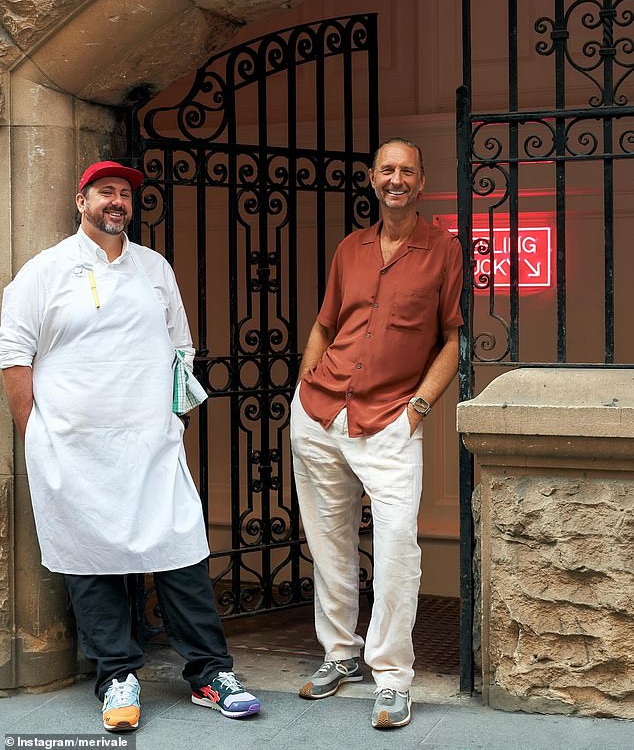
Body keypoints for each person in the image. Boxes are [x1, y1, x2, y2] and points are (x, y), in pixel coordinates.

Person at [0, 161, 260, 732]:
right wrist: (36, 435)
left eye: (124, 194)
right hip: (73, 449)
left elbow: (179, 349)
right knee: (90, 559)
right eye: (105, 192)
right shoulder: (44, 271)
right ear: (81, 201)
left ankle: (211, 674)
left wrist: (174, 422)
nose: (116, 201)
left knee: (180, 550)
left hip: (150, 444)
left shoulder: (154, 268)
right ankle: (117, 675)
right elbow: (15, 356)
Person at [290, 138, 463, 729]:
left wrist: (417, 409)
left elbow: (451, 341)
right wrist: (305, 383)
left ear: (421, 182)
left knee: (395, 551)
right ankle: (340, 655)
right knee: (329, 543)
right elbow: (325, 323)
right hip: (320, 414)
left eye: (407, 170)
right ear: (371, 179)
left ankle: (391, 676)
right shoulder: (350, 248)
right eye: (386, 169)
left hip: (390, 418)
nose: (396, 179)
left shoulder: (443, 251)